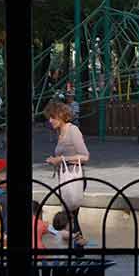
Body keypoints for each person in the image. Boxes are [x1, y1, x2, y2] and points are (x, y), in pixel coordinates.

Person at [45, 100, 90, 238]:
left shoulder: (72, 130)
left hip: (74, 178)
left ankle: (77, 250)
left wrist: (61, 159)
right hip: (65, 177)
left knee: (70, 217)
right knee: (71, 218)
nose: (50, 121)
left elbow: (85, 156)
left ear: (61, 115)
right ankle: (76, 249)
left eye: (53, 117)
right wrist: (55, 161)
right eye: (49, 118)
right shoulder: (60, 132)